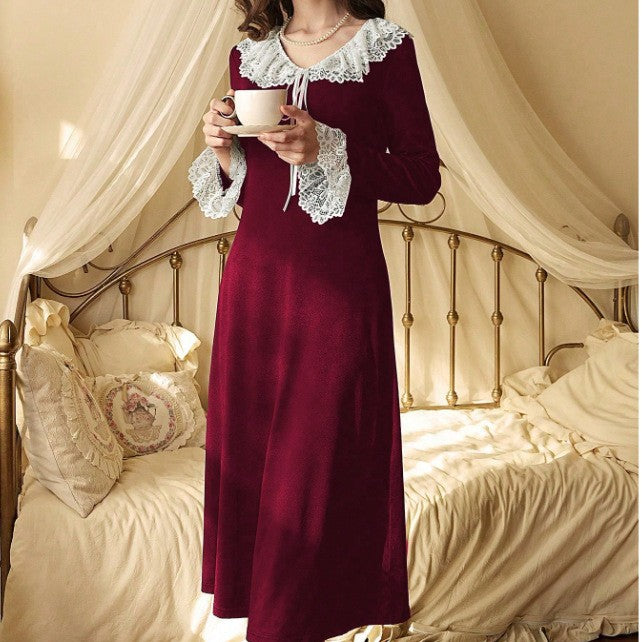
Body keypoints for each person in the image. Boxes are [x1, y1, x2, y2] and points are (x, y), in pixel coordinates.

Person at [188, 1, 442, 640]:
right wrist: (223, 150)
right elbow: (255, 188)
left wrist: (328, 144)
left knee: (316, 475)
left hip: (339, 296)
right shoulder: (249, 56)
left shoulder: (384, 47)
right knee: (260, 479)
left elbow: (421, 177)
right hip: (256, 290)